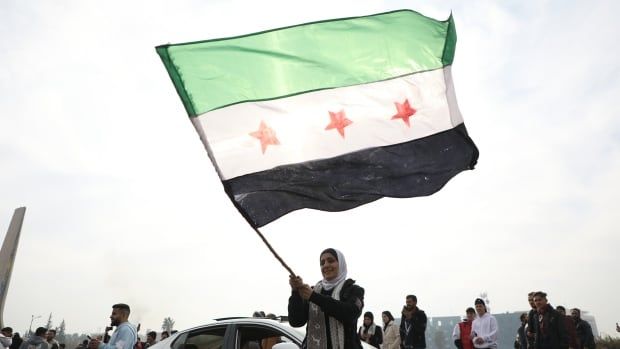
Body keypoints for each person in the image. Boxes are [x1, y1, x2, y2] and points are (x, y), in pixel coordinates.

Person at [288, 248, 365, 349]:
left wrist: (314, 297)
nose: (326, 265)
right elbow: (296, 321)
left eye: (331, 261)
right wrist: (295, 292)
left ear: (341, 264)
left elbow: (350, 313)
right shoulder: (313, 291)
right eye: (322, 263)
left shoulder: (354, 290)